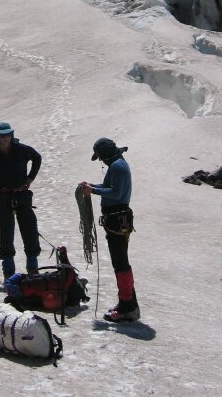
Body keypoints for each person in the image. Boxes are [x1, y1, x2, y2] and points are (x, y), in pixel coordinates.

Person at [79, 137, 140, 322]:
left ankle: (127, 307)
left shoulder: (117, 167)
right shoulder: (118, 164)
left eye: (99, 156)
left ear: (105, 154)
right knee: (120, 262)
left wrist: (93, 191)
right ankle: (128, 304)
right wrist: (92, 187)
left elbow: (115, 192)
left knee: (120, 263)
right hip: (118, 220)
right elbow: (110, 188)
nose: (99, 160)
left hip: (117, 220)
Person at [0, 121, 42, 280]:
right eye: (2, 135)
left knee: (29, 229)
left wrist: (30, 178)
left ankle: (32, 266)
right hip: (4, 197)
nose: (6, 138)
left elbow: (37, 158)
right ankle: (8, 269)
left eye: (8, 134)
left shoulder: (22, 150)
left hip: (22, 195)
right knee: (6, 232)